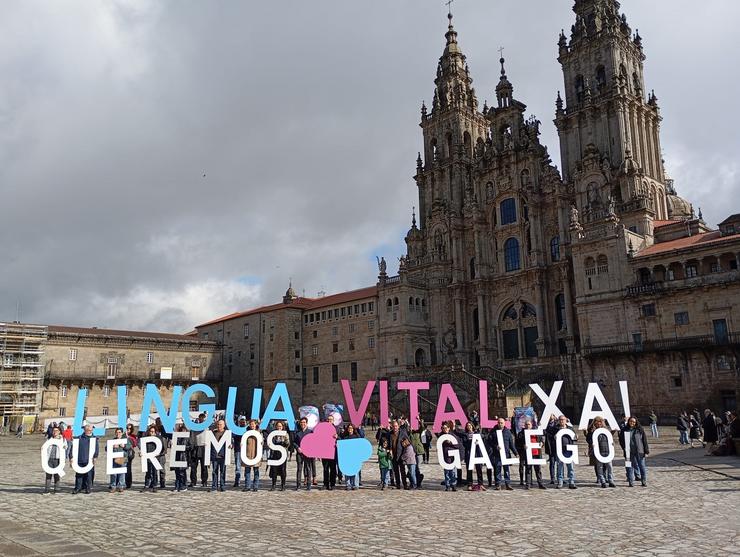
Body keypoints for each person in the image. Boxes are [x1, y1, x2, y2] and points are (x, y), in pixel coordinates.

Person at [620, 416, 649, 487]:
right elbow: (621, 440)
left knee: (642, 466)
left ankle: (644, 481)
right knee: (629, 467)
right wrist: (624, 447)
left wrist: (646, 451)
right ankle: (631, 481)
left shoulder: (639, 429)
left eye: (633, 422)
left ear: (636, 422)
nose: (632, 423)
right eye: (631, 421)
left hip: (639, 451)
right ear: (629, 421)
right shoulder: (624, 430)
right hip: (628, 452)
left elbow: (644, 440)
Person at [586, 416, 615, 488]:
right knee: (600, 467)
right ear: (594, 423)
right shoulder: (592, 431)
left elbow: (610, 439)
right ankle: (603, 481)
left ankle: (610, 480)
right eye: (597, 422)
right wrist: (591, 443)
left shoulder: (606, 431)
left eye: (600, 422)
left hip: (607, 451)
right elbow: (588, 439)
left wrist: (612, 443)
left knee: (610, 467)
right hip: (598, 452)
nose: (599, 424)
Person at [70, 423, 98, 494]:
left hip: (90, 460)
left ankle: (88, 488)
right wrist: (71, 457)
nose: (89, 431)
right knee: (79, 475)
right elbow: (72, 448)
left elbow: (96, 449)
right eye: (88, 430)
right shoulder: (79, 438)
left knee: (89, 475)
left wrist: (95, 457)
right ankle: (78, 488)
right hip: (80, 459)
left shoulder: (94, 439)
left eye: (90, 430)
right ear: (85, 430)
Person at [491, 417, 517, 490]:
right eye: (499, 422)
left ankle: (507, 484)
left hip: (506, 454)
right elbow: (490, 441)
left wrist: (516, 453)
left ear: (504, 423)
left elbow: (511, 444)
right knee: (498, 469)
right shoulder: (493, 431)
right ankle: (498, 484)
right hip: (497, 454)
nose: (500, 424)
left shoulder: (508, 432)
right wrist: (495, 446)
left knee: (506, 470)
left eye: (501, 423)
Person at [519, 419, 546, 490]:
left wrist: (542, 443)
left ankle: (540, 483)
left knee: (538, 469)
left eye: (529, 424)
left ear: (531, 425)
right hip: (528, 454)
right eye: (526, 424)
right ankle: (528, 484)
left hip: (536, 453)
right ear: (524, 425)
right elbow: (518, 443)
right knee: (528, 469)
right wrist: (523, 445)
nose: (528, 426)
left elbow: (541, 440)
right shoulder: (521, 433)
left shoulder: (536, 432)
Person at [552, 415, 577, 489]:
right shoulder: (556, 429)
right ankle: (560, 481)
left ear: (566, 420)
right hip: (560, 450)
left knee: (570, 467)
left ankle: (571, 481)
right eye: (560, 420)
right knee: (559, 466)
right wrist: (554, 436)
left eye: (563, 419)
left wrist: (576, 437)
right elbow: (551, 438)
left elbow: (574, 438)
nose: (561, 421)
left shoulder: (570, 429)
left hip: (569, 450)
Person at [140, 424, 167, 493]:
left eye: (153, 431)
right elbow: (143, 447)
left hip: (155, 458)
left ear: (155, 432)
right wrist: (141, 452)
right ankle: (146, 485)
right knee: (148, 472)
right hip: (148, 457)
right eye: (150, 431)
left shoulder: (159, 438)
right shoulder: (146, 438)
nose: (152, 433)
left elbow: (163, 448)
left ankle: (155, 486)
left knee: (155, 472)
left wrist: (159, 453)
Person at [389, 420, 414, 489]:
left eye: (396, 426)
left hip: (401, 455)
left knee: (402, 471)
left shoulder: (402, 433)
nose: (395, 427)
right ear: (391, 426)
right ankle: (398, 485)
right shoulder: (390, 434)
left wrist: (409, 452)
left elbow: (408, 443)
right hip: (393, 455)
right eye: (393, 426)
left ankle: (405, 485)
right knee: (396, 471)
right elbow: (389, 444)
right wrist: (390, 450)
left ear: (398, 426)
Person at [462, 421, 484, 491]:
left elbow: (483, 437)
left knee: (479, 469)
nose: (469, 426)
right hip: (469, 453)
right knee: (469, 470)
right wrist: (472, 442)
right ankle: (469, 484)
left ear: (472, 426)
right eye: (468, 425)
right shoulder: (465, 435)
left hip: (477, 453)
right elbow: (465, 444)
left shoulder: (477, 433)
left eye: (470, 425)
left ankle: (480, 484)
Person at [293, 417, 314, 491]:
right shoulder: (297, 432)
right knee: (299, 469)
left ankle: (309, 485)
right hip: (299, 453)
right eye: (301, 422)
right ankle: (298, 485)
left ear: (306, 423)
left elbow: (313, 442)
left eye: (304, 422)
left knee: (308, 468)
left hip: (307, 453)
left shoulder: (310, 432)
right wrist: (297, 448)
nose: (303, 424)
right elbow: (294, 442)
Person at [269, 421, 290, 491]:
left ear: (282, 427)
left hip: (283, 454)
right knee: (274, 470)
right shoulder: (273, 435)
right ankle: (273, 485)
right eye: (278, 426)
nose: (279, 428)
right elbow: (270, 443)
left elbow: (288, 444)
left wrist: (285, 440)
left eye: (280, 426)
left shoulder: (285, 434)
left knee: (283, 470)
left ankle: (283, 485)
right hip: (275, 454)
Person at [44, 425, 66, 494]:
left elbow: (65, 447)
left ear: (59, 432)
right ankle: (47, 490)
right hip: (49, 459)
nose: (54, 432)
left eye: (56, 431)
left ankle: (57, 489)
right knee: (48, 475)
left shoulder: (62, 439)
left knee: (57, 474)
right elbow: (45, 447)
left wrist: (60, 440)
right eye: (53, 431)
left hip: (58, 459)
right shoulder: (49, 439)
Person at [108, 427, 131, 493]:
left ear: (122, 433)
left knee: (121, 473)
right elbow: (106, 448)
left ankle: (121, 486)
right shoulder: (113, 440)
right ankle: (113, 486)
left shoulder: (125, 440)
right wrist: (112, 446)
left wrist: (124, 446)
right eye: (117, 432)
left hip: (122, 458)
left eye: (119, 432)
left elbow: (129, 447)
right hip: (114, 458)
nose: (118, 434)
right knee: (113, 474)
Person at [209, 418, 230, 492]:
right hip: (215, 456)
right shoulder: (213, 433)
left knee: (223, 472)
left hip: (223, 456)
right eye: (218, 424)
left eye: (221, 424)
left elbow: (230, 443)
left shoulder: (226, 434)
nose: (219, 426)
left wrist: (231, 445)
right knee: (214, 472)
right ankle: (214, 486)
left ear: (224, 425)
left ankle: (222, 486)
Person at [189, 413, 208, 488]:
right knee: (193, 466)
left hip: (203, 447)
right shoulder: (194, 427)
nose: (201, 420)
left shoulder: (207, 428)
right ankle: (193, 481)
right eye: (200, 418)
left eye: (203, 419)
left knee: (204, 466)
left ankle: (204, 481)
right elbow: (191, 436)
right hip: (195, 447)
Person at [321, 416, 340, 491]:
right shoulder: (323, 429)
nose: (329, 421)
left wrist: (337, 437)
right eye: (328, 420)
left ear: (333, 421)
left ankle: (332, 484)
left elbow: (342, 439)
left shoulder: (337, 429)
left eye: (331, 420)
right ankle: (325, 484)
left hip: (333, 452)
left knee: (333, 468)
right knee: (325, 469)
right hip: (325, 452)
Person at [243, 419, 261, 492]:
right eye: (251, 424)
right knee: (247, 471)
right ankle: (247, 486)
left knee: (256, 471)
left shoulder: (259, 433)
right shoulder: (246, 433)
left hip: (256, 455)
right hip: (247, 455)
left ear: (256, 425)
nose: (252, 425)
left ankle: (255, 486)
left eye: (253, 424)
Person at [439, 423, 458, 492]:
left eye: (446, 428)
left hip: (452, 456)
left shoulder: (452, 436)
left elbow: (457, 445)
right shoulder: (441, 436)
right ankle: (447, 485)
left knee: (452, 472)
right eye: (443, 428)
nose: (445, 429)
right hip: (445, 456)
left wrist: (450, 443)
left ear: (449, 428)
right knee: (446, 472)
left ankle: (453, 485)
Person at [341, 424, 360, 491]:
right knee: (347, 471)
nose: (350, 429)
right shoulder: (345, 437)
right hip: (347, 456)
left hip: (355, 456)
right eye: (349, 428)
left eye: (351, 428)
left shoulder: (357, 437)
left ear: (353, 429)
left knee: (355, 471)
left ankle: (355, 484)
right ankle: (348, 484)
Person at [172, 422, 190, 492]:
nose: (183, 432)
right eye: (181, 430)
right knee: (177, 472)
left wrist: (184, 447)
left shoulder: (187, 438)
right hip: (177, 456)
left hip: (183, 457)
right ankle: (177, 486)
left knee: (182, 472)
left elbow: (190, 446)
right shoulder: (177, 438)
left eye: (184, 430)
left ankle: (183, 486)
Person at [543, 414, 558, 485]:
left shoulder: (558, 424)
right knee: (552, 463)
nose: (551, 416)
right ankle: (552, 478)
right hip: (550, 446)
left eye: (552, 415)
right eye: (550, 414)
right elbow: (543, 432)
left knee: (559, 463)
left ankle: (560, 478)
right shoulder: (545, 424)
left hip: (558, 446)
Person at [232, 416, 247, 488]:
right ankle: (237, 481)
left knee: (247, 466)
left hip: (246, 450)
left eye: (243, 421)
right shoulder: (235, 430)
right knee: (238, 467)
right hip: (238, 449)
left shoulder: (247, 429)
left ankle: (247, 481)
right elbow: (233, 436)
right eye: (241, 421)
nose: (242, 422)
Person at [124, 424, 138, 489]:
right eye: (127, 428)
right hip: (122, 454)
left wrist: (128, 437)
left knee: (128, 468)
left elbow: (134, 444)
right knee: (121, 467)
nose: (128, 430)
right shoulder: (123, 435)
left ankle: (128, 483)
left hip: (129, 454)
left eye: (129, 429)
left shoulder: (133, 436)